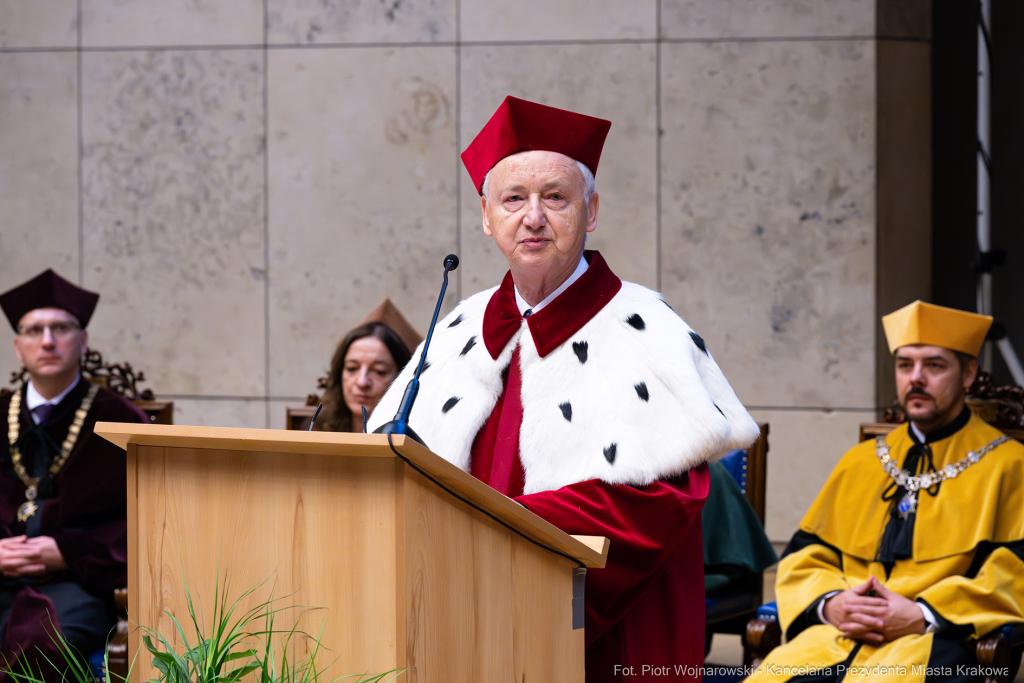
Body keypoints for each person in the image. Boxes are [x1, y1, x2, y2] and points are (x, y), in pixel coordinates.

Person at [369, 96, 760, 682]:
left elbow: (661, 503)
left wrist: (490, 529)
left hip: (601, 641)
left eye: (555, 197)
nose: (533, 217)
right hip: (456, 623)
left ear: (591, 210)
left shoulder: (646, 326)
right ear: (485, 216)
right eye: (513, 199)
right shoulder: (454, 330)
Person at [747, 301, 1024, 683]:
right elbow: (806, 553)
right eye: (905, 364)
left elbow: (1015, 571)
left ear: (969, 373)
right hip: (839, 634)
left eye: (935, 365)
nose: (916, 378)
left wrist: (924, 614)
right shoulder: (861, 461)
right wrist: (833, 604)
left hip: (937, 639)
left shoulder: (1010, 465)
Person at [0, 270, 149, 679]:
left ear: (82, 341)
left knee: (44, 647)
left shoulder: (121, 421)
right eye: (34, 330)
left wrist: (69, 552)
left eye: (60, 328)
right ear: (18, 347)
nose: (47, 340)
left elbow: (149, 520)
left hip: (78, 586)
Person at [313, 298, 419, 433]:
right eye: (352, 368)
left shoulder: (418, 446)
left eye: (379, 371)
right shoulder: (315, 433)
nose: (362, 382)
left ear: (401, 379)